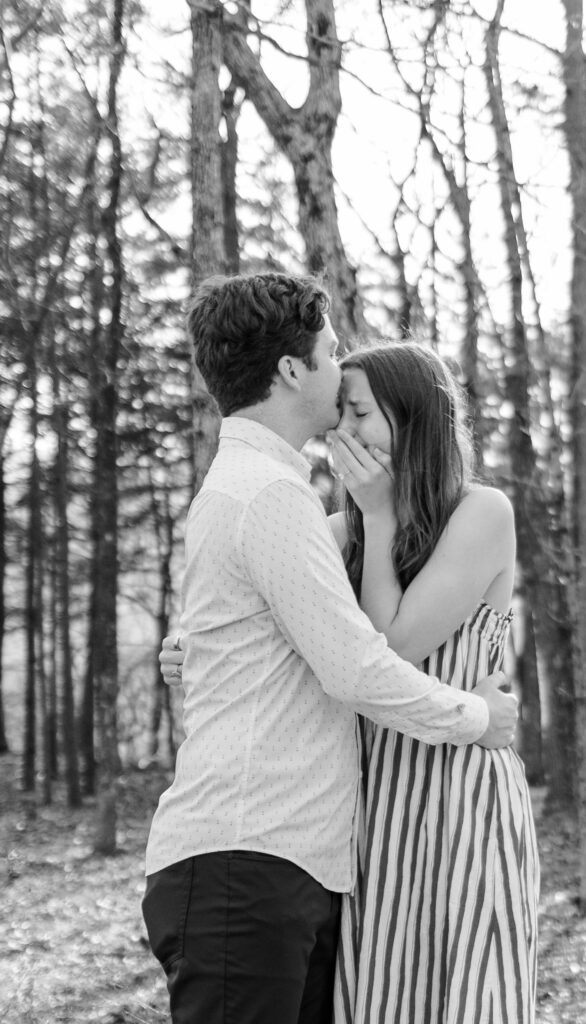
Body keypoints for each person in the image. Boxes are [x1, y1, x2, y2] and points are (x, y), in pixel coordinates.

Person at [143, 272, 518, 1024]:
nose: (345, 415)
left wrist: (202, 650)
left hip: (347, 839)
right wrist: (479, 717)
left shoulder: (271, 493)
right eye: (330, 356)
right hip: (262, 848)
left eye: (362, 409)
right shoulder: (277, 497)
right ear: (291, 370)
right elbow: (359, 663)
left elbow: (277, 625)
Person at [327, 343, 540, 1024]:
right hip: (372, 799)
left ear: (413, 416)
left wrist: (378, 517)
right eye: (338, 414)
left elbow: (392, 649)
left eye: (358, 412)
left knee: (466, 995)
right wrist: (185, 650)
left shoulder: (482, 512)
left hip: (460, 794)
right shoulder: (340, 531)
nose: (343, 431)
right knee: (380, 994)